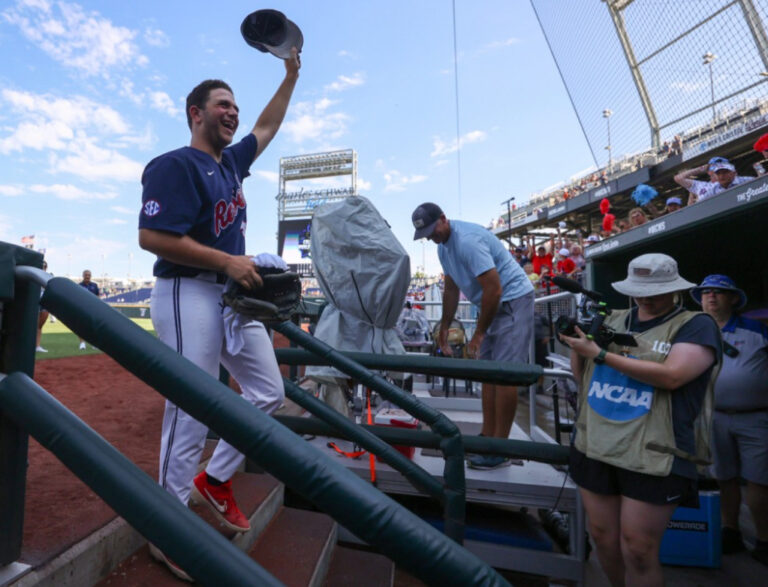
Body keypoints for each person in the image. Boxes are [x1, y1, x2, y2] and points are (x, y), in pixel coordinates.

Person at [138, 47, 300, 579]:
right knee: (190, 406)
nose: (233, 112)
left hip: (228, 296)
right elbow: (152, 237)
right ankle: (166, 526)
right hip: (186, 290)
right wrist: (228, 260)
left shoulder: (230, 164)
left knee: (268, 391)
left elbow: (267, 126)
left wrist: (290, 74)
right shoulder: (174, 164)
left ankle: (214, 478)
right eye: (222, 104)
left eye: (235, 106)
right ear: (196, 113)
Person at [560, 253, 721, 586]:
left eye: (656, 292)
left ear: (675, 288)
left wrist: (601, 354)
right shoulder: (613, 318)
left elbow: (673, 376)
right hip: (596, 443)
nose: (646, 298)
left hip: (654, 452)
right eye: (639, 291)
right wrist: (578, 345)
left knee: (638, 548)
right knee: (602, 537)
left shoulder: (696, 324)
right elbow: (582, 378)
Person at [412, 202, 534, 470]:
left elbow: (494, 289)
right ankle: (487, 436)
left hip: (513, 300)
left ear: (444, 218)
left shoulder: (467, 241)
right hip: (491, 304)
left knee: (506, 375)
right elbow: (451, 289)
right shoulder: (443, 248)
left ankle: (500, 449)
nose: (432, 238)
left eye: (433, 231)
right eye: (426, 235)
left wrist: (478, 334)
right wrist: (444, 326)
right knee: (487, 374)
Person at [690, 275, 768, 565]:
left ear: (734, 298)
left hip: (755, 416)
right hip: (713, 416)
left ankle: (764, 539)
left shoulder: (757, 329)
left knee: (760, 479)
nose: (711, 296)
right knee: (723, 477)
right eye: (706, 292)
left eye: (719, 292)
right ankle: (730, 530)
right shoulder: (693, 330)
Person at [674, 158, 754, 205]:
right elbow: (678, 178)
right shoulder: (708, 187)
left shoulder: (742, 180)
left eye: (725, 172)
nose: (721, 176)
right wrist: (701, 168)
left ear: (733, 173)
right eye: (714, 167)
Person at [78, 269, 99, 350]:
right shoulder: (79, 285)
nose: (87, 276)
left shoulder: (95, 285)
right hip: (82, 308)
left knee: (93, 326)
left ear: (91, 276)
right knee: (81, 326)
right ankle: (82, 343)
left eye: (89, 275)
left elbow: (98, 297)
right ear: (83, 276)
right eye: (86, 275)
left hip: (93, 308)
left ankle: (93, 343)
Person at [36, 260, 50, 353]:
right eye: (42, 266)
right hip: (35, 301)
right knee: (33, 325)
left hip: (44, 301)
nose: (43, 267)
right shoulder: (34, 274)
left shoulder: (48, 276)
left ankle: (37, 346)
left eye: (44, 266)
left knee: (40, 326)